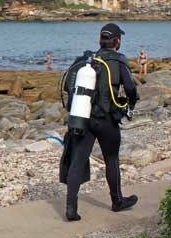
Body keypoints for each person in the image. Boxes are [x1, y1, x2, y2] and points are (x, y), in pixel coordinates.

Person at [60, 23, 140, 221]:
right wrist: (131, 103)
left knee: (78, 160)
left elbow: (68, 87)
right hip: (107, 119)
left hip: (84, 117)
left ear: (100, 41)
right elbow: (130, 88)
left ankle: (71, 209)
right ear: (118, 42)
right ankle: (117, 201)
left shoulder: (88, 60)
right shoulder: (119, 61)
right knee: (111, 159)